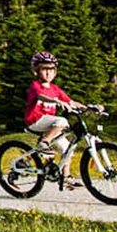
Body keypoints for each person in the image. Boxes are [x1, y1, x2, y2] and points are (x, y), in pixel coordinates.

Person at [24, 51, 86, 188]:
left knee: (68, 148)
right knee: (62, 121)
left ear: (55, 72)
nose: (48, 73)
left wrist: (89, 107)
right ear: (36, 71)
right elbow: (41, 97)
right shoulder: (36, 86)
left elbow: (70, 101)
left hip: (49, 125)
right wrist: (56, 101)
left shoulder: (55, 89)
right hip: (35, 121)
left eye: (51, 69)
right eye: (44, 69)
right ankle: (44, 143)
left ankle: (66, 177)